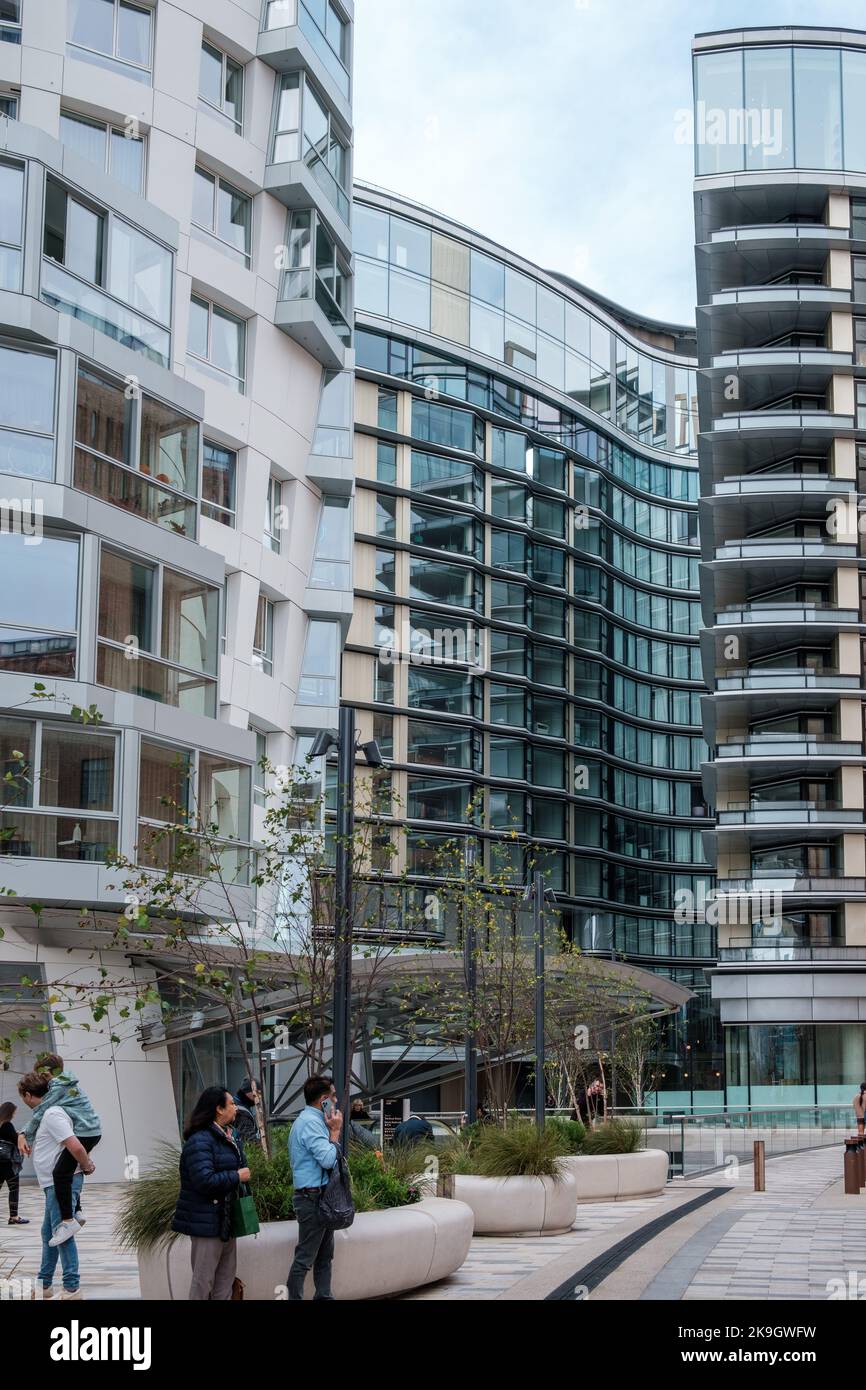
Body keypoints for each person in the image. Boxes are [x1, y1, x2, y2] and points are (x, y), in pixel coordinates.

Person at [18, 1072, 93, 1299]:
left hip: (61, 1183)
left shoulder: (52, 1114)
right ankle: (45, 1285)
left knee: (62, 1233)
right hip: (53, 1184)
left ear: (28, 1096)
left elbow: (75, 1145)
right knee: (49, 1232)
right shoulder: (46, 1115)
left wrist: (86, 1164)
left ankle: (71, 1287)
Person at [172, 1086, 251, 1301]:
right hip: (206, 1223)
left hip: (226, 1219)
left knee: (225, 1280)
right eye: (232, 1104)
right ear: (218, 1109)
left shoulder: (226, 1136)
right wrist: (237, 1176)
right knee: (203, 1281)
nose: (236, 1107)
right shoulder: (200, 1141)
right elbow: (203, 1181)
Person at [18, 1052, 101, 1246]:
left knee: (61, 1173)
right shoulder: (66, 1081)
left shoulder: (58, 1087)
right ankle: (77, 1212)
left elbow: (41, 1110)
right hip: (90, 1130)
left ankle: (68, 1221)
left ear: (49, 1072)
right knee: (68, 1168)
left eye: (42, 1075)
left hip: (85, 1132)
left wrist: (24, 1133)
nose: (42, 1080)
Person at [287, 1075, 343, 1301]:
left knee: (324, 1256)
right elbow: (329, 1159)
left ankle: (324, 1296)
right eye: (334, 1096)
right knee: (305, 1258)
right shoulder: (311, 1123)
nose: (337, 1101)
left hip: (320, 1196)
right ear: (323, 1100)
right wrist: (336, 1132)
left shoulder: (314, 1120)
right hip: (312, 1197)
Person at [0, 1100, 28, 1225]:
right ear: (9, 1112)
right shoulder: (7, 1125)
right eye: (14, 1112)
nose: (15, 1115)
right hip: (8, 1164)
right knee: (13, 1189)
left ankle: (14, 1216)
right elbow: (16, 1140)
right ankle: (14, 1217)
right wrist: (19, 1135)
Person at [232, 1078, 261, 1146]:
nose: (259, 1097)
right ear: (247, 1092)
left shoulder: (238, 1104)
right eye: (257, 1093)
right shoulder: (241, 1112)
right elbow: (250, 1140)